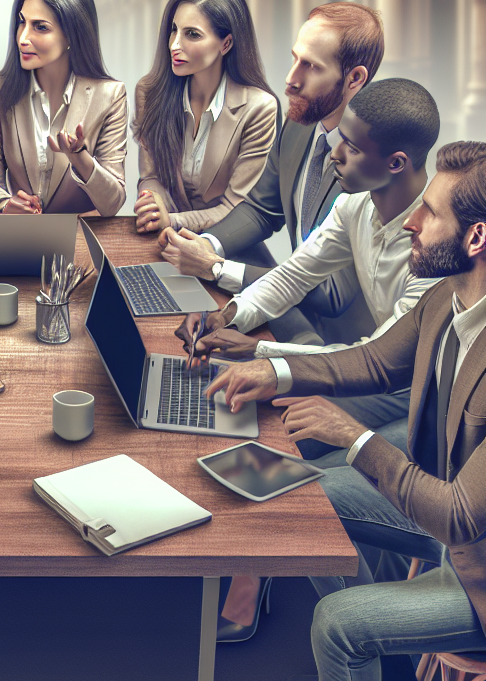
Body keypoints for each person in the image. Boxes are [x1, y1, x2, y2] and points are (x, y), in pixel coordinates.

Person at [203, 141, 486, 681]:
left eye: (431, 213)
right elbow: (369, 363)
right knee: (300, 499)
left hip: (475, 565)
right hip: (442, 514)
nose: (411, 223)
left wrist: (354, 439)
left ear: (477, 237)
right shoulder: (450, 297)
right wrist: (268, 370)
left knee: (337, 622)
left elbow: (458, 518)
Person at [184, 78, 442, 643]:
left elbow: (376, 360)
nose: (332, 151)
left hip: (420, 396)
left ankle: (371, 645)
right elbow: (294, 275)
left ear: (396, 162)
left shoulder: (432, 244)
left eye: (350, 145)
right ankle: (366, 627)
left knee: (281, 480)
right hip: (369, 370)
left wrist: (260, 353)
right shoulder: (355, 204)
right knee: (266, 451)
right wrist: (232, 318)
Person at [160, 1, 384, 344]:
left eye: (310, 66)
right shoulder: (300, 123)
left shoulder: (373, 167)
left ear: (355, 79)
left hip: (340, 346)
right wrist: (205, 244)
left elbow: (332, 294)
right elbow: (263, 209)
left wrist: (216, 268)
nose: (290, 80)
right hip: (282, 309)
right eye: (295, 58)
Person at [132, 0, 278, 238]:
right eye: (174, 30)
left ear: (226, 44)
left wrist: (173, 221)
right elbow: (151, 175)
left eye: (192, 34)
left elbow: (236, 208)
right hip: (162, 240)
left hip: (225, 246)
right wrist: (151, 202)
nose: (175, 45)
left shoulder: (259, 109)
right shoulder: (149, 92)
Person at [0, 0, 126, 216]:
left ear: (71, 36)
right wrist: (5, 207)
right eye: (22, 22)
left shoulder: (109, 95)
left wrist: (80, 158)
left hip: (81, 239)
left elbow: (112, 203)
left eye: (40, 27)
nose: (22, 38)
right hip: (21, 237)